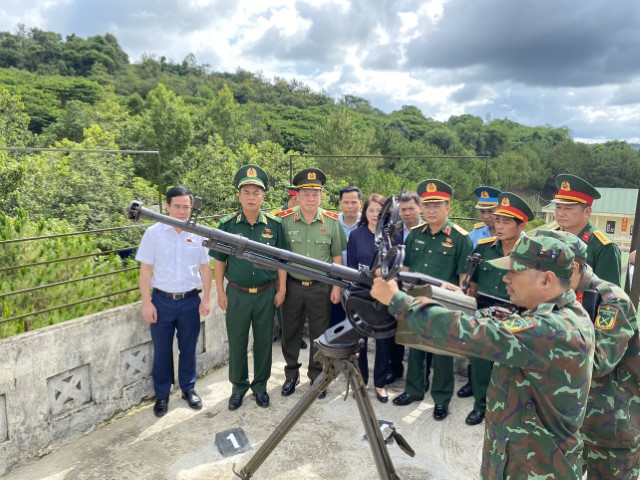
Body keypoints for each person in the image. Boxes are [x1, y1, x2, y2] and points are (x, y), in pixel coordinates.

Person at [371, 235, 595, 479]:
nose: (506, 278)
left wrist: (398, 301)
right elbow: (503, 321)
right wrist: (459, 301)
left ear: (546, 279)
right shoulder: (564, 313)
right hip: (522, 456)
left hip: (534, 468)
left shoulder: (552, 330)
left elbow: (472, 334)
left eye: (514, 272)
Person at [534, 230, 640, 479]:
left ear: (572, 267)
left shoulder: (611, 300)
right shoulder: (557, 298)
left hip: (610, 425)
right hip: (571, 422)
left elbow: (598, 363)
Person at [392, 179, 473, 423]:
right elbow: (405, 270)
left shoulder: (460, 239)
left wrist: (460, 309)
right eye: (427, 206)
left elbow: (464, 282)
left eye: (437, 205)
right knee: (414, 346)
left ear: (448, 207)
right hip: (416, 300)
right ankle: (413, 390)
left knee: (442, 354)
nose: (431, 211)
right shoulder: (415, 235)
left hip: (444, 306)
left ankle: (441, 399)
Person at [210, 165, 288, 411]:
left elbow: (281, 261)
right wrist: (220, 292)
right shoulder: (227, 225)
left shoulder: (274, 226)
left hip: (266, 292)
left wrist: (282, 289)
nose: (251, 197)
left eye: (256, 192)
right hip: (237, 293)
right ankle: (238, 387)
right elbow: (219, 262)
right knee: (237, 341)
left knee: (264, 341)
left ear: (263, 196)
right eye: (247, 192)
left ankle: (260, 387)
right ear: (239, 196)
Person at [135, 186, 212, 417]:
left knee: (189, 348)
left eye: (186, 207)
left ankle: (188, 389)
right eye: (177, 206)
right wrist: (146, 302)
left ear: (191, 207)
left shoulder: (198, 233)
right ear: (167, 206)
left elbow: (206, 268)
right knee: (161, 350)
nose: (181, 211)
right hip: (162, 301)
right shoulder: (154, 233)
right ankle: (161, 394)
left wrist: (207, 298)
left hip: (190, 301)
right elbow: (145, 270)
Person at [464, 192, 534, 427]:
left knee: (509, 368)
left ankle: (506, 410)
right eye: (498, 220)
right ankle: (480, 406)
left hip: (516, 315)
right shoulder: (484, 248)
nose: (499, 225)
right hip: (484, 312)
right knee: (481, 365)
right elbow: (472, 284)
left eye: (506, 221)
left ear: (521, 224)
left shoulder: (532, 252)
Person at [279, 168, 347, 399]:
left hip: (321, 287)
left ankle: (317, 376)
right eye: (306, 193)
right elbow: (280, 256)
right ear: (297, 195)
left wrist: (337, 286)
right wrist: (282, 287)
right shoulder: (285, 220)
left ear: (321, 196)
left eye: (315, 193)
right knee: (290, 332)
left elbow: (337, 256)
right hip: (292, 286)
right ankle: (291, 375)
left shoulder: (332, 222)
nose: (310, 198)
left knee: (319, 334)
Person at [347, 193, 394, 403]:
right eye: (371, 210)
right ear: (365, 212)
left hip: (385, 296)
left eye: (379, 210)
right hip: (361, 295)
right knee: (361, 341)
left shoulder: (393, 236)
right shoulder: (356, 235)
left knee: (384, 341)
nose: (375, 214)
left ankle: (380, 384)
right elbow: (349, 267)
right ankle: (361, 380)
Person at [458, 185, 502, 400]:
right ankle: (472, 382)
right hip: (479, 296)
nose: (486, 216)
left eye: (490, 211)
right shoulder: (475, 234)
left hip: (502, 298)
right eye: (482, 212)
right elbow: (469, 268)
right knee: (475, 343)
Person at [387, 191, 429, 388]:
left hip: (423, 289)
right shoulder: (394, 232)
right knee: (397, 330)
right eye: (403, 209)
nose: (407, 213)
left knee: (424, 335)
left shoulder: (428, 231)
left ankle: (423, 377)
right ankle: (395, 369)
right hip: (399, 287)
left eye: (411, 208)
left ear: (420, 208)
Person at [553, 173, 622, 285]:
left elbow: (610, 295)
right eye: (558, 207)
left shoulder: (603, 246)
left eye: (568, 208)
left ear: (587, 212)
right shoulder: (552, 238)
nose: (560, 213)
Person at [330, 186, 363, 327]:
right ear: (340, 203)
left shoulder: (367, 223)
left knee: (358, 327)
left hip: (360, 284)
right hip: (334, 281)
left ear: (360, 203)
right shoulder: (331, 222)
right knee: (335, 325)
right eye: (346, 202)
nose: (350, 206)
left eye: (354, 202)